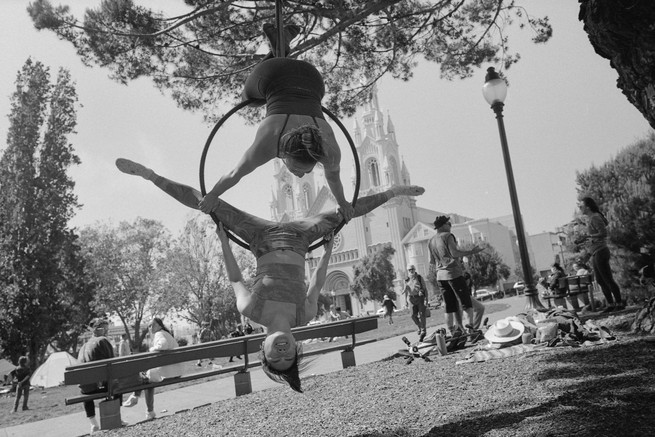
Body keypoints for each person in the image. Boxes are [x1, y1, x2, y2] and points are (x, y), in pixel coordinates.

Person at [115, 157, 424, 392]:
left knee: (207, 203)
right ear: (295, 347)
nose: (281, 352)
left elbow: (236, 278)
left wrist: (224, 241)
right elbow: (317, 282)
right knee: (346, 210)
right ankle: (393, 192)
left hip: (260, 237)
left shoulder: (252, 309)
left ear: (262, 352)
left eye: (274, 358)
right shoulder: (304, 315)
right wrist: (327, 251)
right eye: (287, 356)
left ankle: (151, 176)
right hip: (299, 238)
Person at [193, 25, 355, 223]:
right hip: (273, 74)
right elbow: (235, 173)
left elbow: (333, 179)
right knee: (249, 100)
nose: (301, 176)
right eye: (299, 170)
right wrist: (212, 195)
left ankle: (281, 45)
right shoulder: (270, 142)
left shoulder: (327, 149)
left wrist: (343, 203)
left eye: (305, 171)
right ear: (284, 154)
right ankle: (280, 48)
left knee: (257, 100)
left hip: (313, 78)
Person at [428, 216, 484, 342]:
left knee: (450, 306)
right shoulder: (448, 236)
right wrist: (471, 252)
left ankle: (453, 331)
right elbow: (454, 253)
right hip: (453, 274)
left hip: (440, 277)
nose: (450, 225)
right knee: (466, 303)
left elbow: (431, 261)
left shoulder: (431, 241)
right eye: (449, 223)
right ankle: (471, 331)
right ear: (443, 225)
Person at [122, 317, 183, 420]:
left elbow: (163, 345)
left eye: (153, 325)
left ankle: (141, 402)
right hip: (176, 371)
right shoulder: (166, 334)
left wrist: (151, 349)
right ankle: (138, 399)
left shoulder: (159, 334)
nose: (151, 327)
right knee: (146, 377)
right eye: (149, 326)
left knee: (145, 379)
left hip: (167, 373)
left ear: (160, 325)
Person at [578, 196, 624, 312]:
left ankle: (618, 303)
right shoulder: (592, 218)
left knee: (607, 278)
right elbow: (596, 235)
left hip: (601, 251)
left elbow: (603, 233)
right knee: (600, 280)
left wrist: (587, 236)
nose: (579, 208)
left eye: (581, 206)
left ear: (588, 207)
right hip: (595, 252)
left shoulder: (595, 217)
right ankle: (610, 304)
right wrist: (585, 240)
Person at [77, 318, 117, 434]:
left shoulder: (84, 346)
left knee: (86, 388)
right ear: (100, 330)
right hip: (100, 386)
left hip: (86, 390)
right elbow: (112, 363)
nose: (107, 332)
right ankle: (112, 417)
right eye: (106, 330)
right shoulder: (103, 340)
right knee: (115, 384)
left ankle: (94, 424)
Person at [403, 264, 428, 341]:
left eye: (412, 269)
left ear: (415, 270)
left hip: (420, 298)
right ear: (408, 271)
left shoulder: (419, 278)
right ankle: (420, 326)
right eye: (410, 270)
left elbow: (425, 289)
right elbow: (406, 290)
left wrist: (426, 299)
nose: (411, 271)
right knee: (413, 315)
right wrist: (405, 301)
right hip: (411, 299)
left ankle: (423, 330)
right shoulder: (406, 279)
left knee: (421, 314)